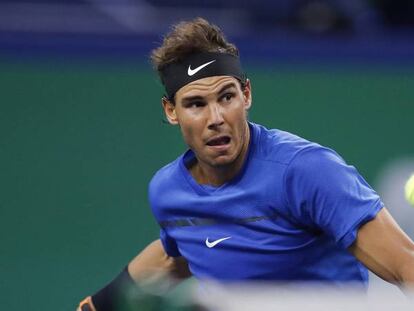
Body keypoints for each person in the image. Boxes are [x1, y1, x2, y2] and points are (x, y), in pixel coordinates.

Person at [77, 17, 414, 311]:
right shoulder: (168, 192)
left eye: (227, 96)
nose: (217, 118)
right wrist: (98, 305)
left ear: (246, 94)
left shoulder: (306, 171)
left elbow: (404, 265)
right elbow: (173, 256)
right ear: (171, 111)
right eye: (196, 104)